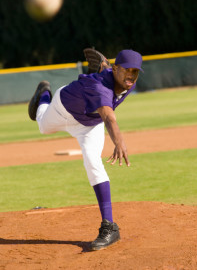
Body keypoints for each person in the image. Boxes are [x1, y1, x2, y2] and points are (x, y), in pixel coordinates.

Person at [28, 49, 143, 251]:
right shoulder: (100, 87)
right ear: (116, 69)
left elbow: (107, 100)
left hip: (89, 124)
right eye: (127, 70)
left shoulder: (127, 82)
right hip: (62, 108)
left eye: (135, 71)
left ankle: (109, 227)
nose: (131, 75)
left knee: (92, 160)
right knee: (42, 126)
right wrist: (119, 141)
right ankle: (44, 92)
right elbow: (109, 117)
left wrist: (105, 67)